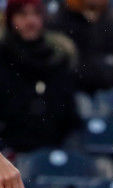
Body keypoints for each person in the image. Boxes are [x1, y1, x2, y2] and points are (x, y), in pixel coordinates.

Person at [0, 0, 80, 154]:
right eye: (22, 14)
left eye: (36, 13)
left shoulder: (59, 57)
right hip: (9, 152)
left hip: (55, 147)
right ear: (10, 18)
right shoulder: (3, 57)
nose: (30, 21)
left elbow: (69, 114)